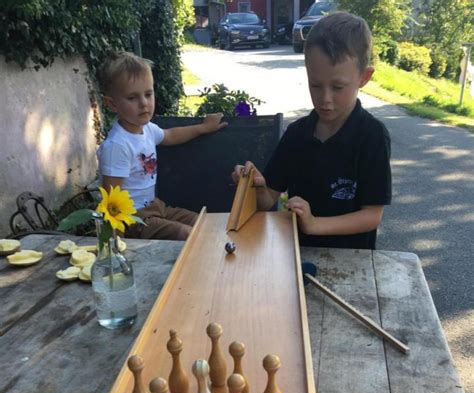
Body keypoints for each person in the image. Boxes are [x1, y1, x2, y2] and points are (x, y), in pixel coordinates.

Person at [233, 12, 391, 249]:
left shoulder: (372, 136)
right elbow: (267, 201)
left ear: (364, 77)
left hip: (353, 262)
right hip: (296, 255)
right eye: (315, 85)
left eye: (338, 87)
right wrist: (254, 184)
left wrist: (314, 224)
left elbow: (372, 215)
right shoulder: (297, 134)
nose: (325, 99)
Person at [98, 51, 226, 240]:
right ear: (111, 104)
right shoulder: (117, 146)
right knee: (185, 234)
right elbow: (111, 201)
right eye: (132, 98)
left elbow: (170, 135)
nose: (144, 104)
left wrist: (203, 128)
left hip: (157, 207)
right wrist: (118, 246)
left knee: (204, 222)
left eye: (148, 94)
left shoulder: (147, 129)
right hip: (133, 218)